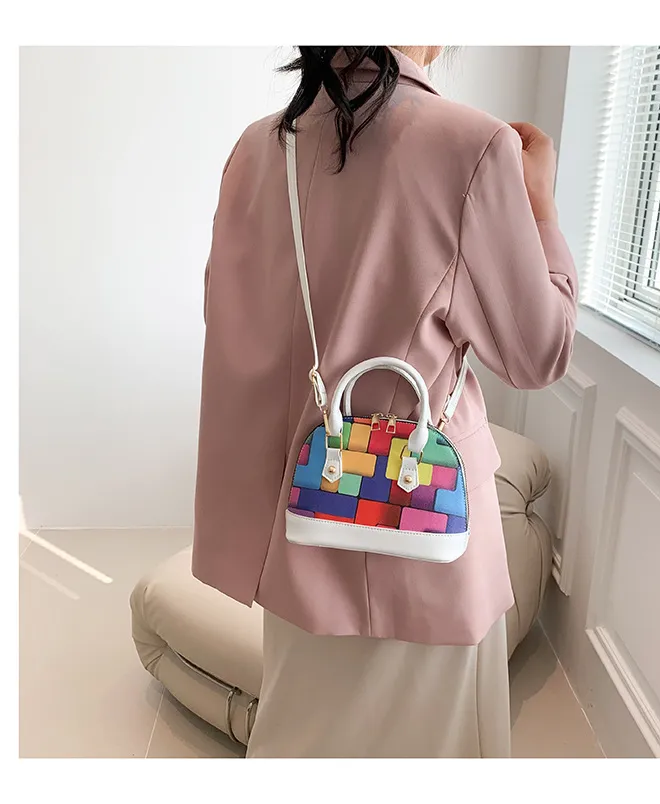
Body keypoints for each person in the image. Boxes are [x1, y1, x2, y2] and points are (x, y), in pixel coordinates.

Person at [191, 46, 577, 758]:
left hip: (300, 528)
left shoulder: (254, 150)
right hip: (421, 538)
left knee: (301, 743)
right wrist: (541, 207)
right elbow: (538, 353)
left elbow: (234, 333)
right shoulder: (473, 146)